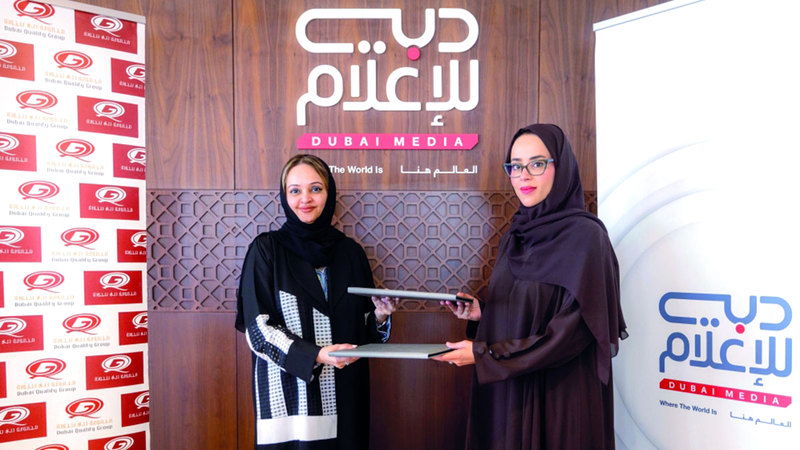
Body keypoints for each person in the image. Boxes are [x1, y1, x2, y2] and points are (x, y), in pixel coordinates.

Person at [434, 124, 627, 449]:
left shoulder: (587, 238)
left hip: (561, 396)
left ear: (561, 167)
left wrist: (485, 355)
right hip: (513, 391)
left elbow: (574, 332)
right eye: (515, 166)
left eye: (537, 164)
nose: (523, 175)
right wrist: (484, 313)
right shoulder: (516, 235)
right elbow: (531, 308)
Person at [235, 154, 398, 449]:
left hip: (346, 392)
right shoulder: (266, 250)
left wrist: (380, 316)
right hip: (291, 395)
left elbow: (363, 335)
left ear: (329, 193)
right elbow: (258, 330)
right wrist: (316, 355)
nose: (305, 199)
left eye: (315, 188)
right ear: (285, 196)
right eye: (295, 190)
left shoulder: (351, 253)